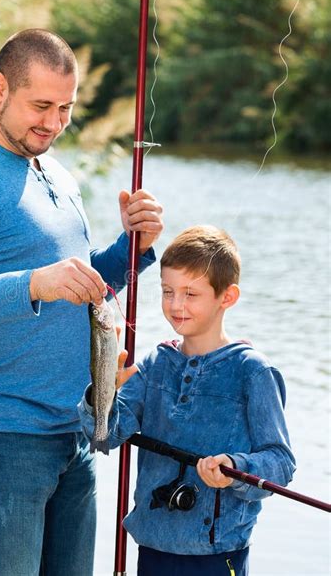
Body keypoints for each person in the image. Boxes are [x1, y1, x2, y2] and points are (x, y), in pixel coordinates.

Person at [0, 29, 163, 576]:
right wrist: (33, 284)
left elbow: (83, 286)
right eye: (40, 105)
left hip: (73, 431)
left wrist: (131, 249)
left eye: (65, 108)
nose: (54, 122)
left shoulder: (53, 170)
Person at [79, 225, 296, 576]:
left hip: (216, 554)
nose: (176, 305)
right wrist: (102, 390)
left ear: (227, 297)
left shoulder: (253, 372)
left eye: (190, 294)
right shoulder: (154, 364)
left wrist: (234, 468)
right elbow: (106, 434)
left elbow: (280, 462)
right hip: (153, 547)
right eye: (167, 291)